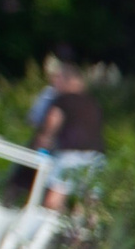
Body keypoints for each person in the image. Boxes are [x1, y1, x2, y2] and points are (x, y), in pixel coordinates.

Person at [24, 53, 104, 210]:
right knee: (87, 204)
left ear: (66, 80)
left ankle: (45, 230)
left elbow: (53, 121)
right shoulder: (93, 103)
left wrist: (42, 140)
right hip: (97, 156)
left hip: (71, 155)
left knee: (53, 201)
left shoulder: (64, 99)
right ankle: (80, 232)